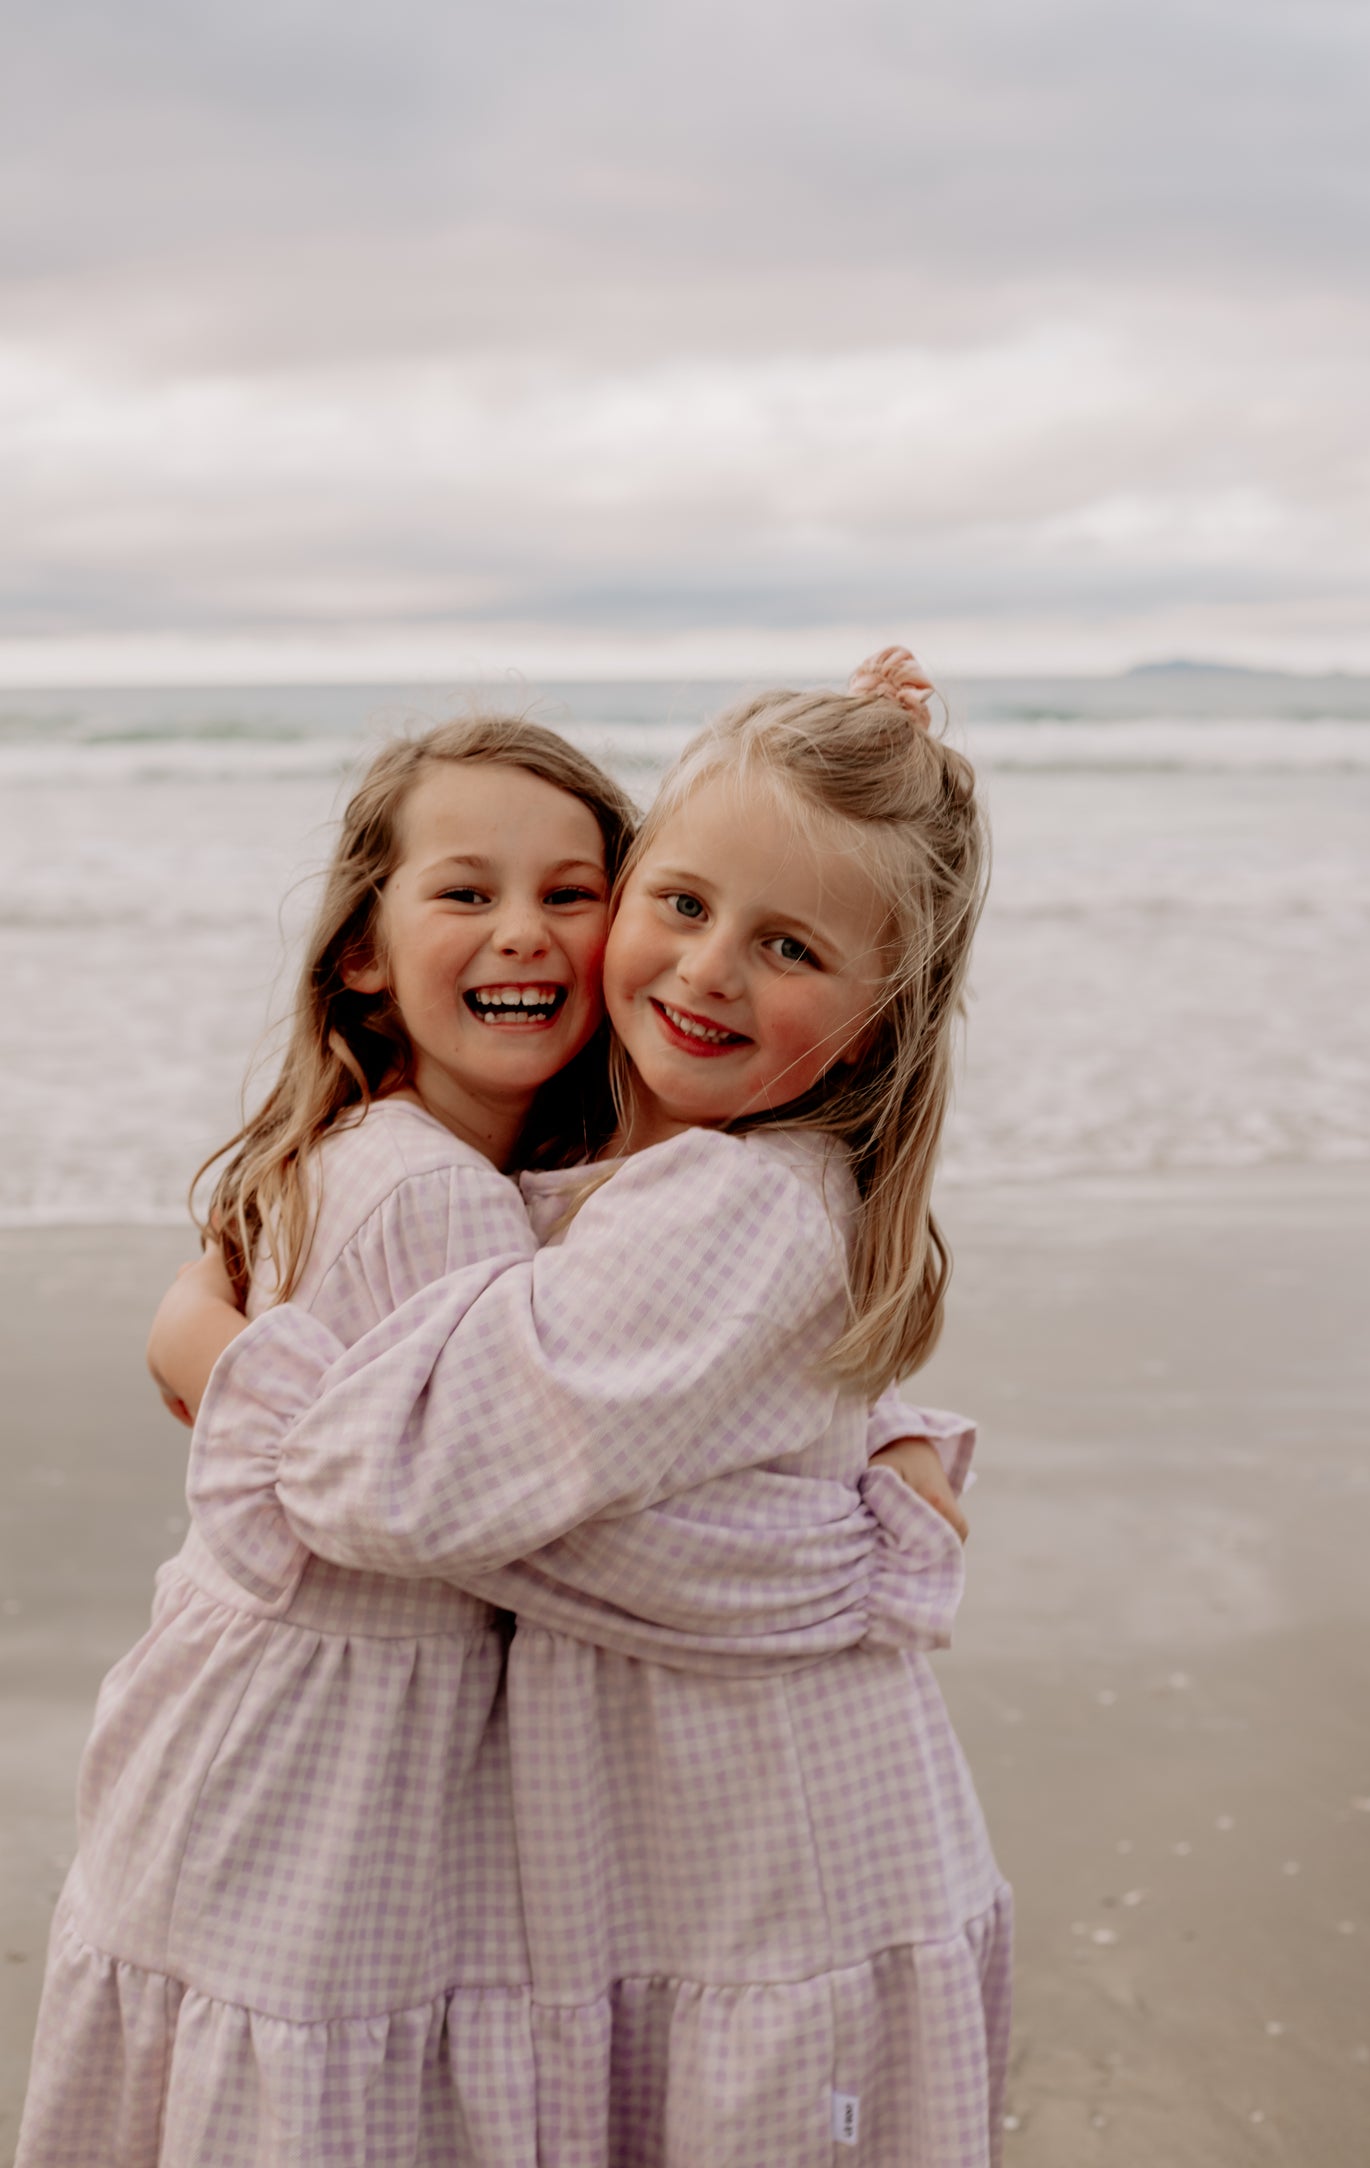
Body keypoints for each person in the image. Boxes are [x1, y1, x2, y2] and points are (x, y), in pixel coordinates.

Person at [17, 702, 967, 2167]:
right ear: (361, 943)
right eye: (681, 905)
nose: (703, 965)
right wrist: (861, 1504)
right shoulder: (451, 1193)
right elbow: (531, 1452)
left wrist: (209, 1355)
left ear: (878, 1011)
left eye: (566, 895)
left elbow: (515, 1447)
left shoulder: (650, 1186)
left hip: (722, 1842)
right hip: (336, 1795)